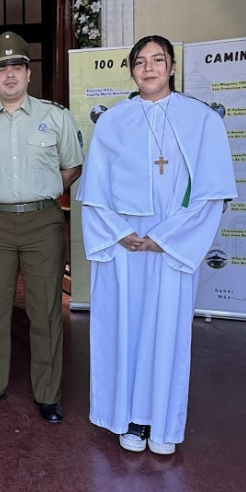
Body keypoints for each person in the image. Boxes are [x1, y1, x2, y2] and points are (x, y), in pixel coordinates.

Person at [76, 35, 236, 455]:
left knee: (165, 333)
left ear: (171, 67)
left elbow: (211, 193)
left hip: (170, 246)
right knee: (123, 329)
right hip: (125, 246)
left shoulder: (201, 120)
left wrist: (165, 239)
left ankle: (162, 423)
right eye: (141, 61)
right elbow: (93, 193)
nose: (149, 68)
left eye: (158, 60)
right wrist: (119, 233)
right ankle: (128, 418)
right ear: (131, 70)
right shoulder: (112, 121)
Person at [0, 31, 83, 423]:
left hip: (42, 221)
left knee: (45, 309)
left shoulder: (56, 117)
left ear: (29, 74)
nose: (10, 75)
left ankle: (47, 392)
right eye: (1, 69)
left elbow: (71, 166)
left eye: (17, 67)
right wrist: (3, 196)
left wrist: (40, 194)